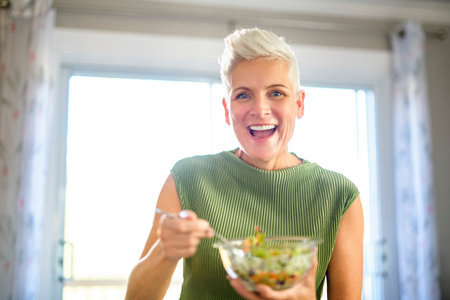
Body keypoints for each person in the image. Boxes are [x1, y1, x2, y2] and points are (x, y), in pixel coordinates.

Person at [125, 28, 364, 300]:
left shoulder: (340, 196)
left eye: (276, 93)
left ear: (299, 104)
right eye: (243, 95)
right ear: (228, 110)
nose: (260, 109)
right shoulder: (187, 178)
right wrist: (164, 251)